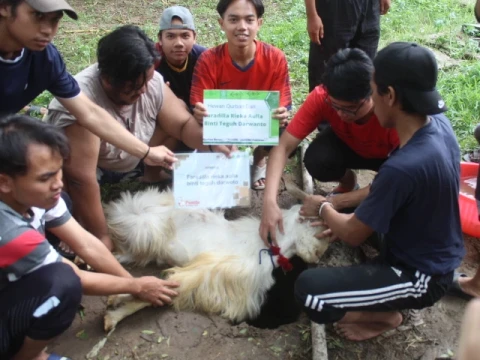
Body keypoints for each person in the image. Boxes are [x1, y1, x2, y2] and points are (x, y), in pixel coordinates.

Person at [292, 42, 465, 341]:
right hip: (425, 246)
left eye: (372, 91)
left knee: (309, 292)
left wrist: (323, 207)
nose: (370, 99)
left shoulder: (402, 167)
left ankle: (385, 316)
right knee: (347, 212)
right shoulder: (437, 125)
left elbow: (352, 234)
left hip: (420, 275)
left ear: (390, 95)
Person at [0, 114, 179, 360]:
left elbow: (84, 242)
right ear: (5, 182)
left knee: (63, 206)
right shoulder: (9, 232)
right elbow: (77, 278)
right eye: (45, 178)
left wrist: (128, 283)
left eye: (58, 172)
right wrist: (137, 285)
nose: (58, 183)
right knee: (64, 283)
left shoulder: (34, 196)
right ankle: (26, 357)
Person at [45, 25, 232, 252]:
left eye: (147, 81)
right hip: (88, 172)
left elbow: (183, 124)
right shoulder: (80, 101)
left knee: (177, 110)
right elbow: (81, 180)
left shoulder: (149, 81)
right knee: (70, 202)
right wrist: (102, 235)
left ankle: (147, 176)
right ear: (106, 79)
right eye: (133, 87)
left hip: (133, 156)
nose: (143, 90)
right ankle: (77, 220)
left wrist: (212, 142)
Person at [0, 0, 177, 171]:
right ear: (5, 7)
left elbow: (89, 112)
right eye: (37, 15)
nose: (48, 30)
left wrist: (146, 152)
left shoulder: (46, 58)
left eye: (55, 19)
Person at [259, 48, 398, 245]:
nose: (342, 115)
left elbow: (395, 181)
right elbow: (283, 147)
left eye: (351, 109)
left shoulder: (393, 114)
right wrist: (269, 202)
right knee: (317, 159)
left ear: (373, 93)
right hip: (351, 146)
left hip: (388, 159)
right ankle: (348, 181)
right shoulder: (321, 96)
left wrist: (334, 203)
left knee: (392, 214)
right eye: (335, 107)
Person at [190, 0, 292, 190]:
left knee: (286, 129)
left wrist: (281, 113)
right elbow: (199, 106)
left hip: (259, 124)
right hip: (224, 128)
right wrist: (199, 112)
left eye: (249, 20)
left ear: (258, 24)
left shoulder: (275, 57)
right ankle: (229, 159)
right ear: (222, 23)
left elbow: (283, 105)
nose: (242, 27)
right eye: (234, 20)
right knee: (197, 127)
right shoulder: (208, 60)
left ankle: (259, 159)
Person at [305, 0, 390, 92]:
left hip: (370, 7)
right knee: (326, 72)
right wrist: (312, 14)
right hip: (334, 9)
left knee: (365, 72)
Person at [155, 6, 206, 106]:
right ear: (160, 39)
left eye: (185, 36)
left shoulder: (204, 58)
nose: (179, 43)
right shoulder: (150, 60)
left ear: (194, 37)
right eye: (170, 36)